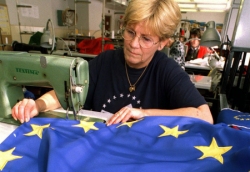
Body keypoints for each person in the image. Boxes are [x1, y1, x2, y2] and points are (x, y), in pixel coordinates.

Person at [12, 0, 213, 125]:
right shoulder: (105, 61)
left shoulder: (166, 70)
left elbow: (204, 116)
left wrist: (143, 113)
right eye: (130, 32)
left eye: (146, 39)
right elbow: (66, 94)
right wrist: (37, 104)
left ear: (162, 43)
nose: (134, 44)